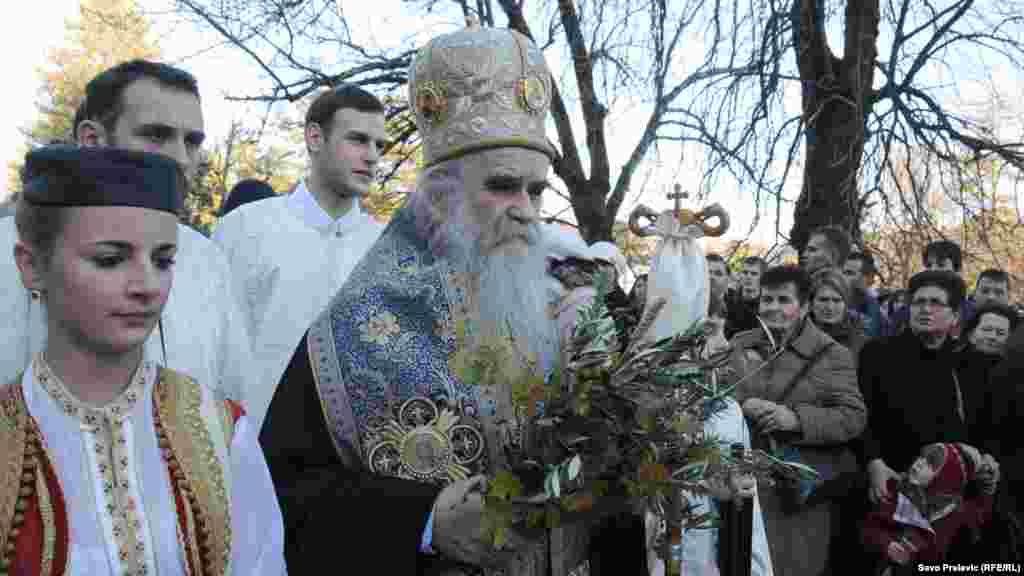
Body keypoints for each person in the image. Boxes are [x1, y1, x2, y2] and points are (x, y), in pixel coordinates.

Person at [5, 145, 284, 574]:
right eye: (110, 259)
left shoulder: (222, 431)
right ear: (32, 265)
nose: (147, 286)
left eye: (162, 260)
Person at [0, 59, 255, 406]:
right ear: (92, 140)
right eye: (156, 135)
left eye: (192, 141)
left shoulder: (208, 261)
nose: (181, 158)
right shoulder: (7, 247)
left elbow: (235, 397)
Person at [213, 84, 386, 424]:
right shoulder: (244, 229)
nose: (373, 156)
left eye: (379, 145)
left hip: (351, 459)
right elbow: (208, 345)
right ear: (315, 138)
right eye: (357, 140)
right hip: (248, 450)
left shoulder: (384, 247)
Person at [728, 265, 866, 575]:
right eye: (767, 299)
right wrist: (743, 404)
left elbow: (853, 416)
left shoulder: (833, 355)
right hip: (740, 486)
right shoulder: (739, 344)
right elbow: (716, 396)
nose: (773, 308)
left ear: (803, 307)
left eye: (783, 300)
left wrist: (795, 419)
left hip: (794, 494)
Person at [862, 443, 995, 573]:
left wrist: (987, 488)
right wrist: (886, 544)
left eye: (931, 463)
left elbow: (981, 513)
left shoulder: (956, 512)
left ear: (946, 479)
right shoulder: (898, 489)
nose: (919, 463)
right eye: (922, 457)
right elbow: (868, 529)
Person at [809, 267, 867, 361]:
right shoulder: (795, 340)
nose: (830, 307)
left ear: (846, 304)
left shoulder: (862, 345)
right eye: (823, 300)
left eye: (837, 300)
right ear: (810, 303)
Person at [843, 250, 885, 338]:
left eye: (849, 273)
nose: (842, 278)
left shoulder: (872, 308)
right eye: (843, 273)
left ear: (865, 277)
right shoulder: (835, 299)